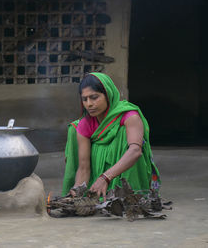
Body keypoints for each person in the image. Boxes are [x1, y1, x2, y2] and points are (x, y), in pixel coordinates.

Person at [62, 72, 160, 200]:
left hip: (125, 174)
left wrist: (105, 177)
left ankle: (129, 193)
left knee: (123, 136)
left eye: (94, 97)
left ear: (108, 95)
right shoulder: (85, 123)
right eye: (85, 99)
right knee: (73, 129)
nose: (89, 104)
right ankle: (100, 192)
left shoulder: (129, 116)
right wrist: (77, 190)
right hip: (99, 179)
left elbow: (136, 151)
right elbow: (84, 167)